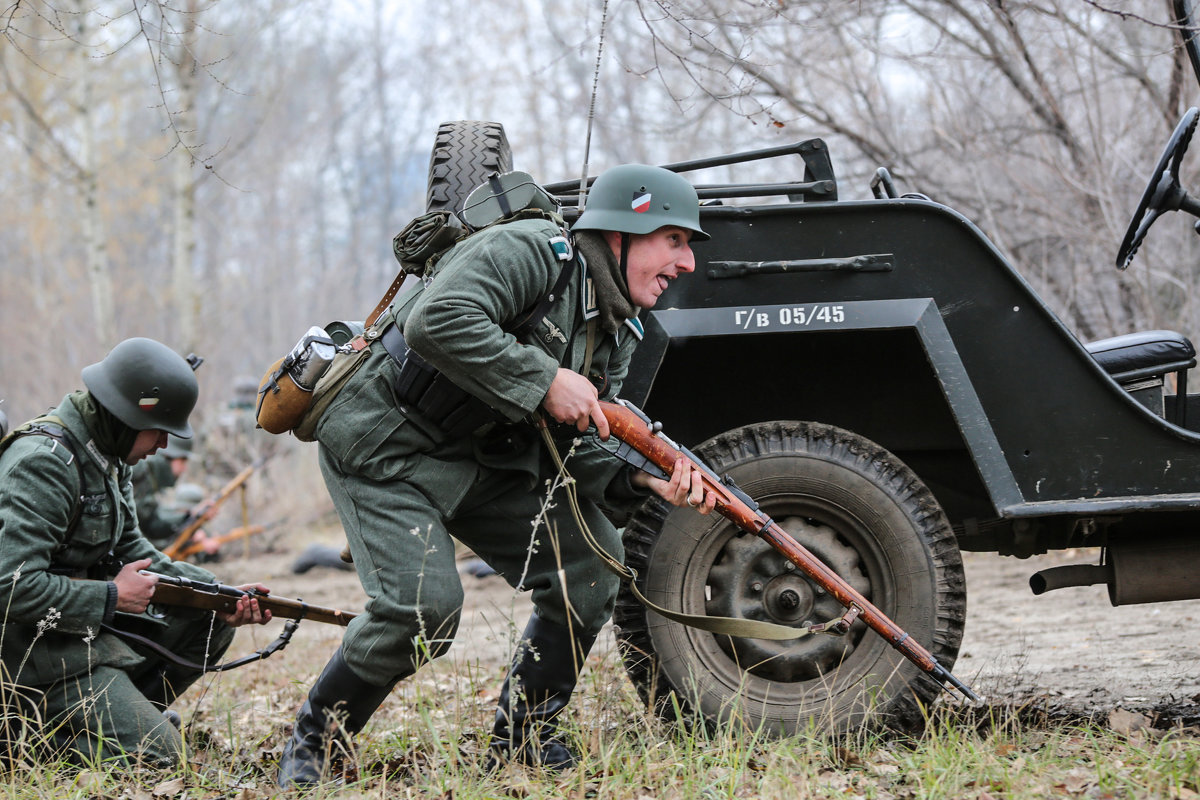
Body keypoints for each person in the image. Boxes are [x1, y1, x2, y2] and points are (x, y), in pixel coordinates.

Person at [277, 164, 718, 787]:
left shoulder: (620, 329)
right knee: (422, 611)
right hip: (385, 449)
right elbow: (437, 319)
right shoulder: (532, 251)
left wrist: (644, 479)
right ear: (621, 232)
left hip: (482, 461)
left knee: (592, 567)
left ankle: (526, 737)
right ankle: (314, 743)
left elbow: (577, 449)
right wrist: (544, 381)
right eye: (674, 240)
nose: (688, 263)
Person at [0, 337, 272, 768]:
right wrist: (110, 596)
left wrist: (216, 593)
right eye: (160, 430)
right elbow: (10, 587)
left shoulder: (108, 455)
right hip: (31, 658)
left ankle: (125, 717)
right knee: (162, 757)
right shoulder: (44, 462)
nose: (164, 446)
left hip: (79, 639)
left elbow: (133, 550)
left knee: (210, 617)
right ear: (126, 414)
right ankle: (27, 739)